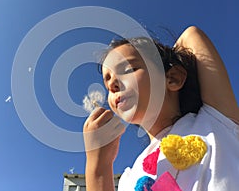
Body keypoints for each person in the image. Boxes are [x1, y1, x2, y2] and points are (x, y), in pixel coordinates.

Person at [83, 26, 239, 191]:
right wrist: (99, 166)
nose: (113, 84)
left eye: (129, 69)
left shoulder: (215, 120)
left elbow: (191, 35)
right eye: (107, 83)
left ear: (174, 78)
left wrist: (169, 60)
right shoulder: (128, 179)